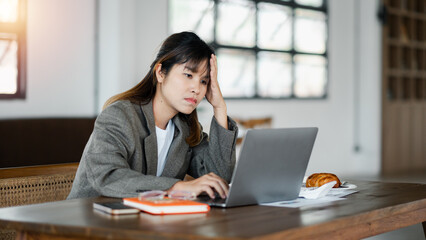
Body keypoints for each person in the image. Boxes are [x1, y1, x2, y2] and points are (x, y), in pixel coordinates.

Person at [67, 32, 238, 200]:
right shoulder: (119, 116)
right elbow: (107, 176)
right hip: (90, 220)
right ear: (161, 73)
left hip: (142, 222)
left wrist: (219, 107)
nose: (197, 88)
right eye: (188, 75)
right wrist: (175, 187)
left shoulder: (186, 129)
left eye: (204, 81)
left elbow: (219, 177)